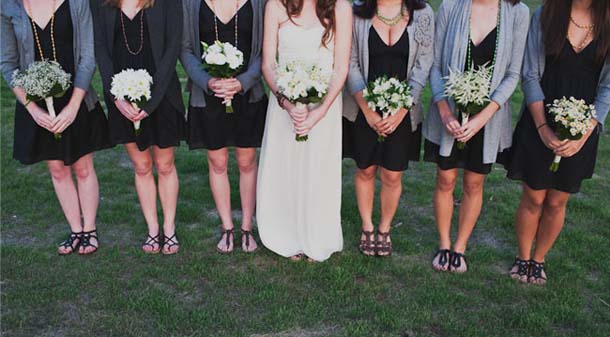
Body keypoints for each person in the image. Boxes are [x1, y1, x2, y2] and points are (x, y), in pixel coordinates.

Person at [507, 0, 610, 285]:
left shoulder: (607, 21)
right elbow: (529, 75)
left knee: (556, 200)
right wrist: (542, 128)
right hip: (539, 117)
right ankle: (523, 256)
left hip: (581, 127)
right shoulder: (546, 14)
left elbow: (608, 87)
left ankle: (538, 259)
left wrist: (582, 135)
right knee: (534, 196)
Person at [423, 0, 529, 272]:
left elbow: (513, 74)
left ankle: (460, 247)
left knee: (473, 184)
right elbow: (434, 65)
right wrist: (445, 111)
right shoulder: (450, 6)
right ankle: (444, 243)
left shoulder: (518, 13)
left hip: (488, 118)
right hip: (448, 110)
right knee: (445, 179)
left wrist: (483, 117)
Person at [1, 0, 111, 255]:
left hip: (76, 96)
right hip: (35, 103)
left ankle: (90, 230)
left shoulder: (77, 3)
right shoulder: (8, 7)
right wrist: (32, 109)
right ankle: (75, 230)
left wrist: (74, 106)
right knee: (57, 169)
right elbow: (8, 64)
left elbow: (88, 56)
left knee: (83, 167)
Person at [257, 0, 352, 262]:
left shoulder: (341, 7)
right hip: (285, 107)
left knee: (318, 169)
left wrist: (319, 113)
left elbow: (341, 67)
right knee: (285, 167)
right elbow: (268, 64)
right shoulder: (275, 5)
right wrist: (287, 104)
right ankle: (285, 233)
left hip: (325, 106)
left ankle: (317, 233)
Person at [91, 0, 186, 254]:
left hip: (162, 95)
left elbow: (172, 48)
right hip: (122, 96)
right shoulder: (100, 4)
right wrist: (117, 98)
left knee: (165, 165)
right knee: (142, 166)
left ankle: (169, 228)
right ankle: (153, 229)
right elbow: (101, 51)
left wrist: (152, 102)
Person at [343, 0, 433, 257]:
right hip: (363, 109)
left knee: (393, 174)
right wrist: (368, 111)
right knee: (365, 169)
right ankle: (367, 227)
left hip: (402, 112)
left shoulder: (423, 14)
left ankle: (384, 228)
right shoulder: (357, 12)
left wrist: (401, 111)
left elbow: (423, 66)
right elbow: (351, 63)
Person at [181, 0, 267, 254]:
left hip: (247, 94)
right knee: (217, 163)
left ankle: (247, 227)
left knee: (247, 162)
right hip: (209, 96)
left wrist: (243, 82)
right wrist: (208, 82)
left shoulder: (260, 3)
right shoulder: (190, 3)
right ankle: (227, 227)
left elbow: (264, 48)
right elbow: (185, 49)